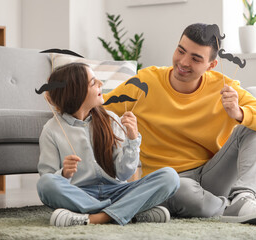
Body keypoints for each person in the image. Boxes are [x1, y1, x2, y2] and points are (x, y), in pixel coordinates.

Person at [103, 23, 256, 225]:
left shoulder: (224, 87)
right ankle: (240, 204)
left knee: (252, 127)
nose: (183, 62)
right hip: (170, 181)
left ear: (211, 65)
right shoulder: (144, 83)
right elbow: (100, 106)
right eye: (181, 51)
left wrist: (239, 112)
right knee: (179, 189)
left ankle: (244, 197)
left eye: (195, 58)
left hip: (213, 175)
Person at [36, 62, 180, 227]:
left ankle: (95, 218)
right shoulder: (51, 130)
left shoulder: (111, 120)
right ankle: (129, 212)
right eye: (93, 82)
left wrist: (133, 139)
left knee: (170, 177)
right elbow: (48, 178)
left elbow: (124, 174)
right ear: (76, 93)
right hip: (80, 195)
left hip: (118, 192)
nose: (101, 84)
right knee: (45, 184)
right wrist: (64, 174)